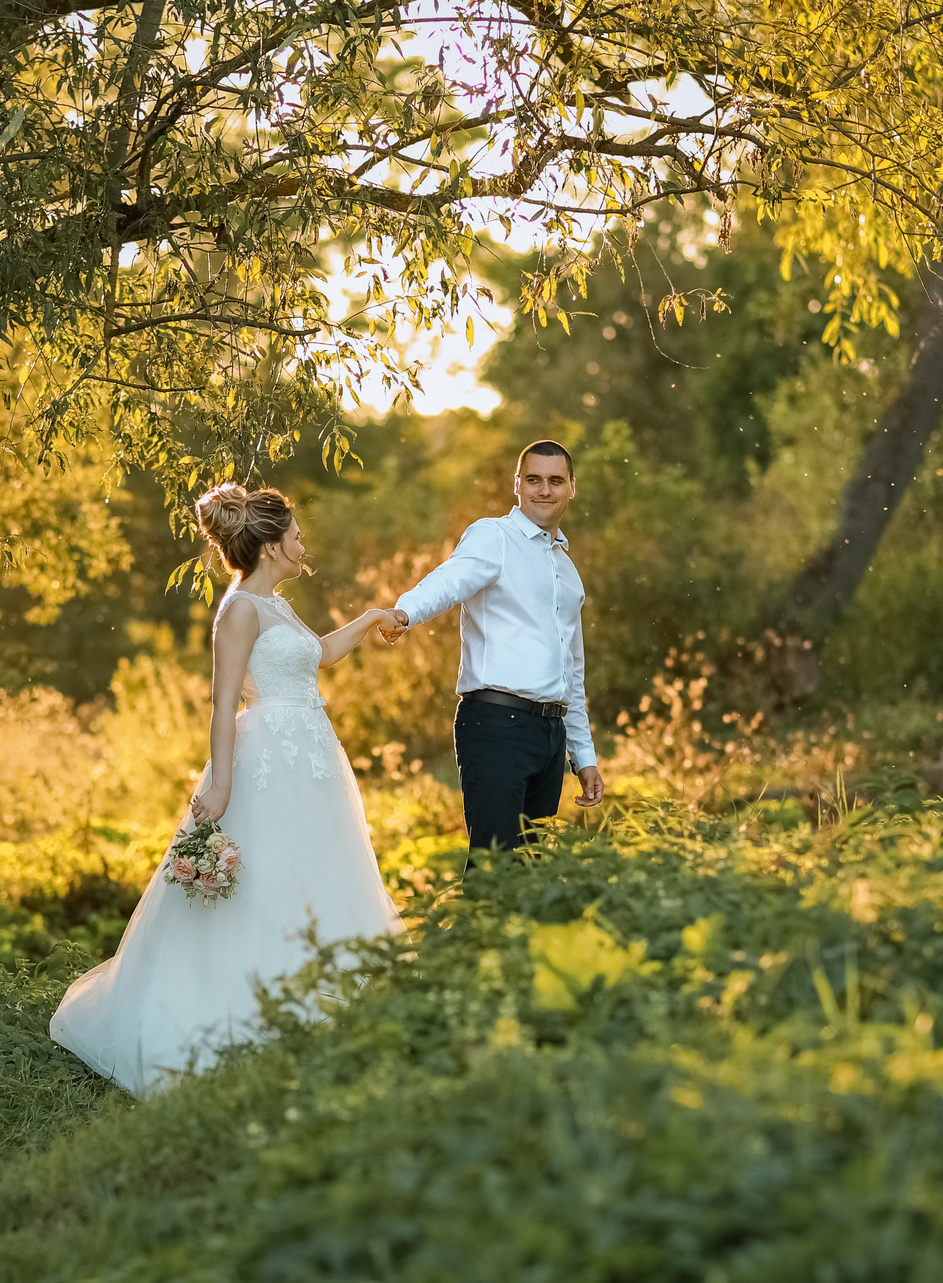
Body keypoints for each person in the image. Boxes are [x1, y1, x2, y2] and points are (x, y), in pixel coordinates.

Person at [50, 483, 404, 1095]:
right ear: (270, 545)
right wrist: (221, 783)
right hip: (267, 756)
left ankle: (320, 1008)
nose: (302, 543)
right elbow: (221, 705)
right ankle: (252, 1016)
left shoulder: (276, 603)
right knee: (263, 883)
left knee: (315, 873)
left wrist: (371, 620)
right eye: (294, 535)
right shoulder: (238, 609)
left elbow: (317, 653)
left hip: (312, 758)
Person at [379, 439, 605, 851]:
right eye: (533, 479)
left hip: (551, 737)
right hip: (498, 724)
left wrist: (583, 757)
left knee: (530, 872)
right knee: (495, 866)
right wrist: (405, 613)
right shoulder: (494, 536)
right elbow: (450, 580)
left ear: (572, 487)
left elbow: (573, 673)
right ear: (516, 484)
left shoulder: (568, 573)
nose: (544, 490)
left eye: (556, 481)